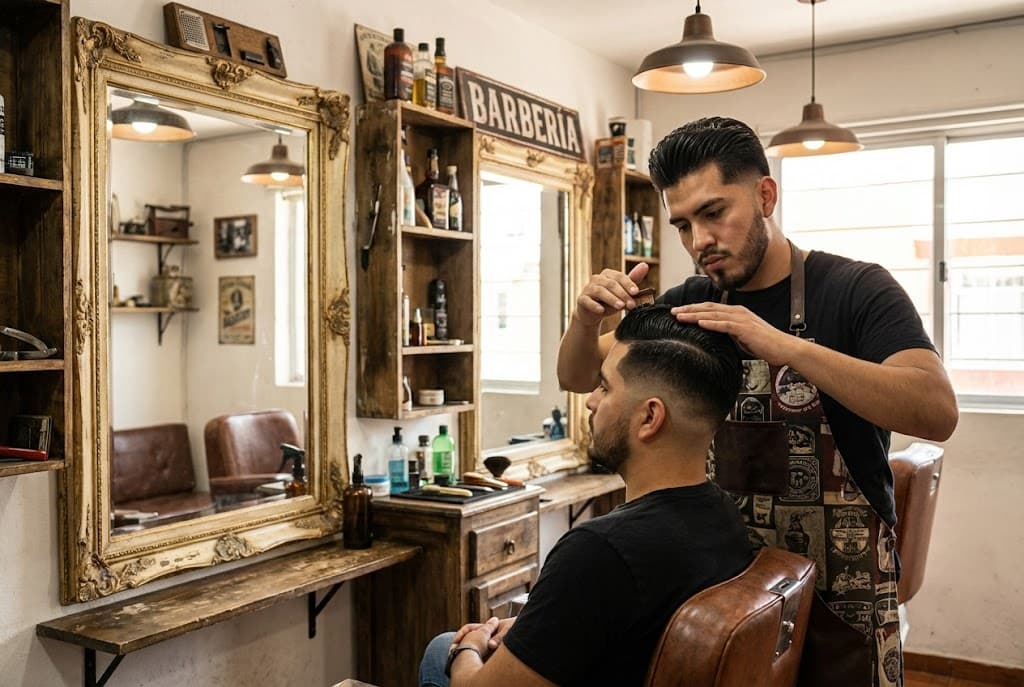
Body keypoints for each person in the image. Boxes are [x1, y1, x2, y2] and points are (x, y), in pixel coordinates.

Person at [557, 116, 959, 687]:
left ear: (765, 194)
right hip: (732, 597)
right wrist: (584, 318)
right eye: (683, 224)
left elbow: (936, 410)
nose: (700, 242)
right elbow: (577, 375)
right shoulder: (692, 302)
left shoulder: (855, 290)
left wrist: (783, 345)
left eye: (714, 213)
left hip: (840, 602)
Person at [419, 305, 753, 687]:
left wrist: (471, 646)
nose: (591, 400)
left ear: (650, 418)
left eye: (605, 386)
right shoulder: (723, 516)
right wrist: (542, 624)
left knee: (441, 648)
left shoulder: (599, 552)